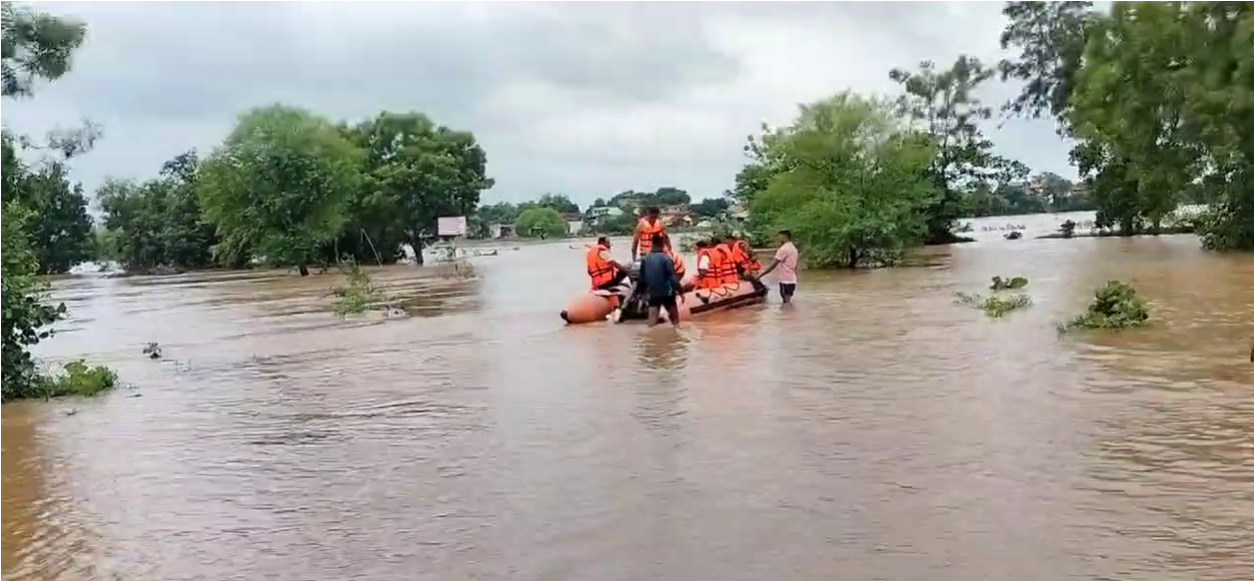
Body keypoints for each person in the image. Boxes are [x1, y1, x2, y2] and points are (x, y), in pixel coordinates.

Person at [638, 232, 682, 327]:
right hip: (667, 293)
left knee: (651, 323)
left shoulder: (645, 259)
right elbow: (672, 278)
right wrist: (681, 291)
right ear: (662, 243)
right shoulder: (666, 259)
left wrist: (643, 294)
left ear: (652, 243)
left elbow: (641, 280)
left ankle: (650, 340)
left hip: (653, 293)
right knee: (676, 321)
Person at [757, 229, 799, 303]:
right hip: (792, 279)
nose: (778, 239)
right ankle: (788, 313)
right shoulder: (793, 248)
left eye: (779, 237)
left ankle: (786, 314)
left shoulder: (783, 249)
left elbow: (773, 265)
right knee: (788, 301)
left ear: (784, 237)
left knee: (785, 302)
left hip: (785, 279)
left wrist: (760, 275)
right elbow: (795, 265)